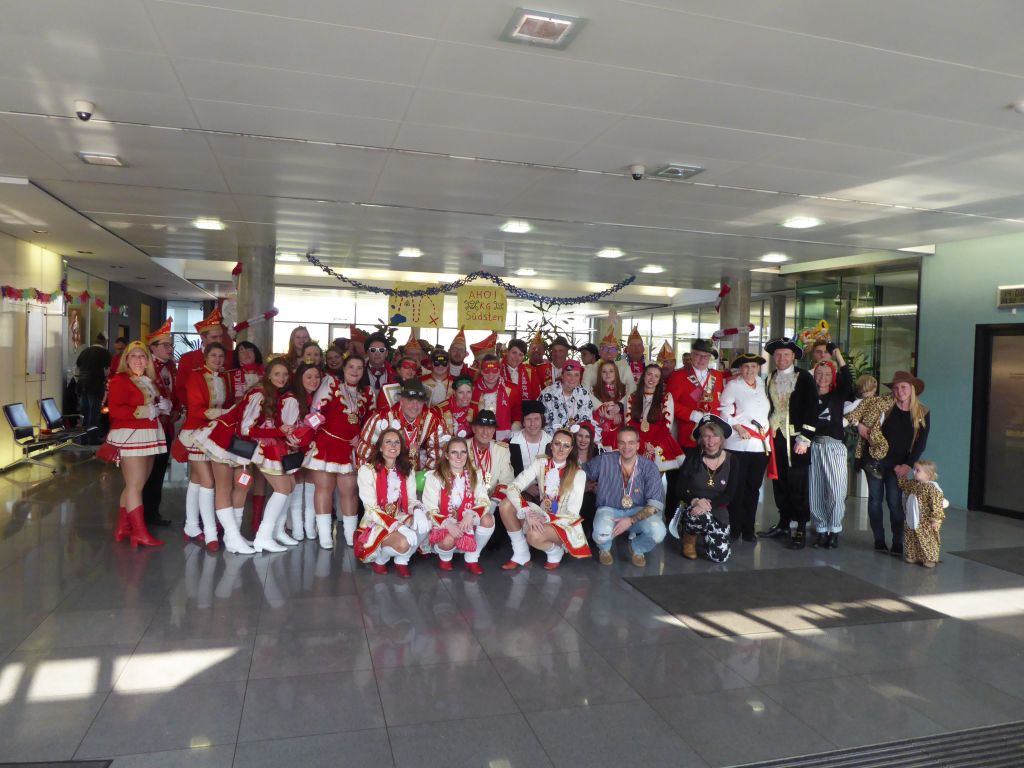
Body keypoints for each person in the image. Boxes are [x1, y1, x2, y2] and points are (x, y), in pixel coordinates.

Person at [847, 371, 930, 556]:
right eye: (896, 388)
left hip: (898, 465)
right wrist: (859, 426)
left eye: (904, 387)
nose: (900, 391)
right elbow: (858, 412)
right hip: (874, 459)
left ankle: (897, 542)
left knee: (894, 502)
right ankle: (879, 540)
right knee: (875, 500)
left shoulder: (922, 412)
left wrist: (908, 465)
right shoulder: (883, 404)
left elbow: (921, 443)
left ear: (912, 389)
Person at [104, 341, 170, 548]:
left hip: (149, 434)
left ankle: (123, 527)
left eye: (142, 356)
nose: (139, 360)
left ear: (148, 360)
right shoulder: (119, 380)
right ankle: (139, 532)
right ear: (126, 359)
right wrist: (144, 411)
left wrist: (163, 406)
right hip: (131, 435)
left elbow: (153, 404)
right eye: (134, 356)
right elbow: (116, 411)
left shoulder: (149, 381)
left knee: (134, 485)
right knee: (135, 486)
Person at [498, 427, 591, 570]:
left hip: (563, 523)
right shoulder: (540, 463)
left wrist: (544, 518)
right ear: (551, 445)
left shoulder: (578, 474)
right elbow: (513, 487)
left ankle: (555, 552)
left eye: (566, 446)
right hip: (542, 513)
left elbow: (572, 514)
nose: (561, 449)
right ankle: (521, 552)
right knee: (506, 505)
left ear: (571, 449)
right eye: (557, 444)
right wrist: (527, 511)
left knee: (533, 535)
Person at [304, 355, 373, 548]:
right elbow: (316, 410)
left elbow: (370, 421)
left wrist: (362, 436)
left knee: (350, 491)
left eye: (359, 367)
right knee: (324, 489)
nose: (355, 371)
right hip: (326, 445)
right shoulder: (331, 384)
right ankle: (325, 535)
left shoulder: (367, 393)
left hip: (349, 449)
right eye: (351, 366)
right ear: (344, 369)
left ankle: (351, 535)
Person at [757, 337, 816, 547]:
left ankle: (800, 526)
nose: (782, 358)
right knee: (779, 482)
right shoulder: (769, 378)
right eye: (778, 354)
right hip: (775, 438)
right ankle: (783, 523)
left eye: (786, 355)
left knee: (797, 484)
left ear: (793, 357)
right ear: (774, 357)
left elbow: (812, 408)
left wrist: (805, 438)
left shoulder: (804, 377)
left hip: (797, 439)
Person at [178, 342, 234, 550]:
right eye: (214, 356)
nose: (218, 360)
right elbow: (195, 410)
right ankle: (210, 533)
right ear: (205, 357)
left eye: (221, 356)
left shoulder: (224, 377)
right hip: (195, 433)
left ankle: (191, 525)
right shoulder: (196, 376)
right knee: (208, 481)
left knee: (197, 480)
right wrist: (225, 413)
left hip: (212, 432)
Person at [584, 426, 665, 566]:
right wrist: (586, 486)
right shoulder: (604, 460)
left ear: (638, 445)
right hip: (609, 509)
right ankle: (604, 549)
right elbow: (580, 473)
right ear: (617, 444)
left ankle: (637, 548)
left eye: (631, 442)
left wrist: (631, 520)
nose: (626, 447)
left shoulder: (650, 467)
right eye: (622, 442)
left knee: (659, 532)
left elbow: (654, 506)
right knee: (602, 533)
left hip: (638, 511)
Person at [354, 428, 429, 578]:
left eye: (397, 442)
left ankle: (402, 560)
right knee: (403, 543)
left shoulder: (407, 469)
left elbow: (411, 500)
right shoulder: (367, 471)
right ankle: (381, 560)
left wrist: (417, 510)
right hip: (375, 522)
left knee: (426, 523)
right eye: (388, 442)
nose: (393, 445)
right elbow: (371, 509)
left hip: (398, 515)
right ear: (380, 447)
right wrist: (399, 527)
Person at [799, 348, 853, 549]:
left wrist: (838, 356)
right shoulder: (808, 397)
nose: (823, 378)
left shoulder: (838, 395)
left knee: (836, 491)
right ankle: (821, 530)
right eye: (819, 374)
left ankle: (834, 530)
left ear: (833, 377)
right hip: (814, 446)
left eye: (828, 374)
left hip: (834, 447)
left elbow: (848, 379)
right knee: (816, 491)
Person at [719, 353, 773, 544]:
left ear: (758, 368)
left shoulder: (763, 384)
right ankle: (735, 528)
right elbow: (723, 409)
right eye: (746, 366)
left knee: (753, 489)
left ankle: (749, 529)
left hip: (760, 445)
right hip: (738, 444)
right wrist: (737, 427)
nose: (750, 370)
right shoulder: (733, 386)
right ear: (740, 369)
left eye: (754, 366)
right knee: (738, 488)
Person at [671, 415, 740, 563]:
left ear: (721, 438)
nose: (710, 440)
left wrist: (707, 505)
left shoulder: (732, 460)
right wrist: (696, 501)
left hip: (717, 510)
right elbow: (679, 489)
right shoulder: (692, 457)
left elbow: (730, 495)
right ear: (701, 439)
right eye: (706, 436)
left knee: (720, 557)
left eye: (715, 436)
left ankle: (707, 537)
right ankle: (689, 537)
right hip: (693, 508)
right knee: (699, 516)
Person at [422, 437, 494, 573]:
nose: (459, 457)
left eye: (463, 452)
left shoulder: (476, 475)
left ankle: (472, 557)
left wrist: (471, 514)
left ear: (467, 454)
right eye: (454, 452)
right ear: (447, 455)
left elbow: (484, 500)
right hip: (445, 521)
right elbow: (430, 509)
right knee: (447, 541)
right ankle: (445, 558)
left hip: (467, 518)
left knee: (488, 519)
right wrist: (448, 525)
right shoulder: (434, 477)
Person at [357, 378, 448, 472]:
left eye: (419, 401)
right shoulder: (382, 418)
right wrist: (371, 475)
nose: (415, 406)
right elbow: (365, 451)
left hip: (417, 473)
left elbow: (439, 453)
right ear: (401, 400)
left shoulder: (433, 420)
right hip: (385, 472)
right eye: (410, 400)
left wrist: (426, 475)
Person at [142, 319, 178, 528]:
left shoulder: (171, 367)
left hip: (166, 426)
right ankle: (142, 515)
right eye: (165, 345)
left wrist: (175, 410)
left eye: (171, 345)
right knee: (147, 473)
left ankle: (153, 513)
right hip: (150, 427)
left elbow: (174, 393)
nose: (170, 348)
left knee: (159, 471)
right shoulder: (146, 367)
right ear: (153, 348)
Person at [286, 363, 323, 546]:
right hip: (294, 448)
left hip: (311, 448)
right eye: (309, 377)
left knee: (311, 484)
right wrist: (292, 442)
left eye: (316, 377)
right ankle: (298, 527)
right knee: (297, 484)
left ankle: (309, 526)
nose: (313, 380)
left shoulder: (317, 398)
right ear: (299, 378)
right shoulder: (293, 398)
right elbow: (286, 426)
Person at [627, 363, 682, 471]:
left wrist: (652, 445)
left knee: (655, 479)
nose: (652, 378)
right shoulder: (632, 397)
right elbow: (628, 424)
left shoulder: (666, 397)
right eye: (649, 374)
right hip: (637, 443)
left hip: (659, 444)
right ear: (644, 376)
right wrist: (642, 444)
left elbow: (667, 426)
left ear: (660, 380)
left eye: (656, 376)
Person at [899, 460, 947, 568]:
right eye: (914, 469)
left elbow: (937, 504)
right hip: (912, 517)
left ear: (928, 474)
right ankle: (913, 555)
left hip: (925, 521)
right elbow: (904, 486)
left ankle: (929, 558)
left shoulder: (932, 488)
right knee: (911, 537)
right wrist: (901, 476)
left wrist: (936, 519)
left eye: (918, 470)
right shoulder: (913, 483)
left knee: (927, 539)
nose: (914, 472)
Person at [175, 307, 225, 407]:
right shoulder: (187, 359)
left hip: (224, 412)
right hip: (197, 411)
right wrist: (196, 409)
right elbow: (181, 389)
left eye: (220, 336)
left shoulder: (229, 356)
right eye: (214, 337)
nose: (219, 341)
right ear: (202, 337)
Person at [540, 360, 600, 442]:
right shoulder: (548, 393)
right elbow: (542, 422)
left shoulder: (583, 394)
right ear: (562, 375)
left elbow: (587, 420)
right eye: (569, 374)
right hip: (552, 439)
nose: (572, 379)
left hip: (577, 440)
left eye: (576, 375)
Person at [469, 354, 522, 441]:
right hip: (478, 437)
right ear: (481, 371)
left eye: (494, 370)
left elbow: (517, 414)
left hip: (504, 440)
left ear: (499, 370)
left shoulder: (512, 389)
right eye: (486, 371)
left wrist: (514, 429)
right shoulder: (472, 390)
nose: (491, 374)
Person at [76, 333, 112, 443]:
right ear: (105, 342)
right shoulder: (105, 353)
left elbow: (78, 366)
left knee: (84, 413)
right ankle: (93, 439)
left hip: (82, 384)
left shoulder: (85, 351)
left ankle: (83, 439)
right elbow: (107, 370)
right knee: (94, 413)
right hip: (95, 385)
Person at [582, 325, 637, 397]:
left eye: (613, 349)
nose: (609, 352)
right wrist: (601, 404)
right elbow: (585, 392)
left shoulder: (624, 368)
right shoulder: (590, 369)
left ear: (617, 352)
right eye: (605, 348)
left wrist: (619, 403)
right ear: (599, 351)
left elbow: (632, 390)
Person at [591, 359, 628, 451]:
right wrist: (605, 415)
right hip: (602, 435)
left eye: (611, 371)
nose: (608, 374)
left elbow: (630, 409)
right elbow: (592, 415)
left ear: (616, 373)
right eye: (604, 372)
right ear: (600, 374)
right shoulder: (594, 391)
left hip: (621, 435)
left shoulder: (624, 389)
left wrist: (619, 413)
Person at [574, 421, 601, 541]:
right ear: (575, 436)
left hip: (592, 497)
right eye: (580, 436)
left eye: (587, 437)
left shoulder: (597, 454)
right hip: (573, 495)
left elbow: (602, 477)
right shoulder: (568, 454)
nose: (583, 440)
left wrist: (597, 488)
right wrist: (582, 488)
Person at [509, 400, 551, 476]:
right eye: (528, 419)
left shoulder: (551, 443)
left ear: (542, 421)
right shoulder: (512, 444)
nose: (532, 424)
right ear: (523, 422)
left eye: (536, 419)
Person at [365, 333, 397, 399]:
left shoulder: (395, 373)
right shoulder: (359, 372)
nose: (377, 353)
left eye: (381, 350)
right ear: (367, 352)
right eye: (373, 350)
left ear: (386, 353)